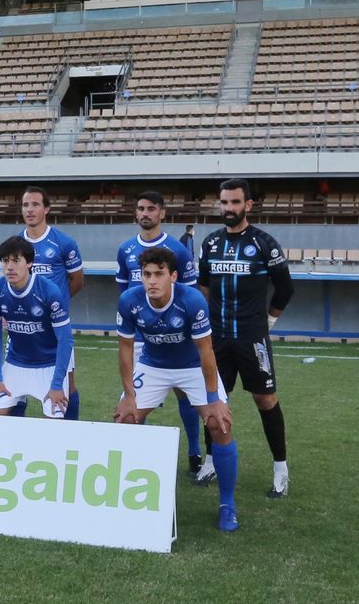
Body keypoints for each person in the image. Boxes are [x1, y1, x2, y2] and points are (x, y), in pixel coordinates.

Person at [114, 245, 239, 532]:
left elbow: (206, 351)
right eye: (146, 274)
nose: (152, 281)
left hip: (193, 366)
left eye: (159, 274)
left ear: (173, 276)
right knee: (125, 421)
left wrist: (213, 400)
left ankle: (227, 504)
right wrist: (129, 396)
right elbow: (124, 349)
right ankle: (129, 497)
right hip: (153, 366)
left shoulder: (192, 300)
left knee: (220, 425)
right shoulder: (129, 301)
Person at [197, 178, 294, 498]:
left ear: (248, 205)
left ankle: (281, 468)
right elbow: (205, 288)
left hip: (252, 338)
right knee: (213, 400)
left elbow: (285, 288)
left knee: (265, 400)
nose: (229, 208)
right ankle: (210, 461)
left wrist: (268, 319)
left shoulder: (265, 243)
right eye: (224, 202)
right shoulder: (210, 244)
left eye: (235, 202)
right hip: (218, 339)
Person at [116, 191, 204, 471]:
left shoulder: (177, 250)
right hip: (139, 336)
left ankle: (193, 450)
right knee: (133, 404)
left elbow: (189, 294)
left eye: (151, 209)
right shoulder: (126, 249)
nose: (145, 213)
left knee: (183, 394)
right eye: (140, 208)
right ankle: (136, 464)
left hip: (174, 337)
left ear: (162, 213)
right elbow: (123, 292)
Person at [0, 236, 72, 418]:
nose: (9, 266)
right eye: (5, 260)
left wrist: (56, 385)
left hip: (50, 364)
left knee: (55, 422)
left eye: (16, 260)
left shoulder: (49, 291)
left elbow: (66, 339)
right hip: (17, 362)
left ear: (30, 263)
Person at [20, 186, 85, 420]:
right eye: (26, 205)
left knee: (68, 383)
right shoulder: (16, 244)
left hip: (55, 327)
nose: (30, 209)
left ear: (46, 208)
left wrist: (58, 303)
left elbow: (77, 281)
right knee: (17, 386)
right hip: (24, 327)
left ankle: (71, 431)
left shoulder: (63, 243)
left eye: (35, 204)